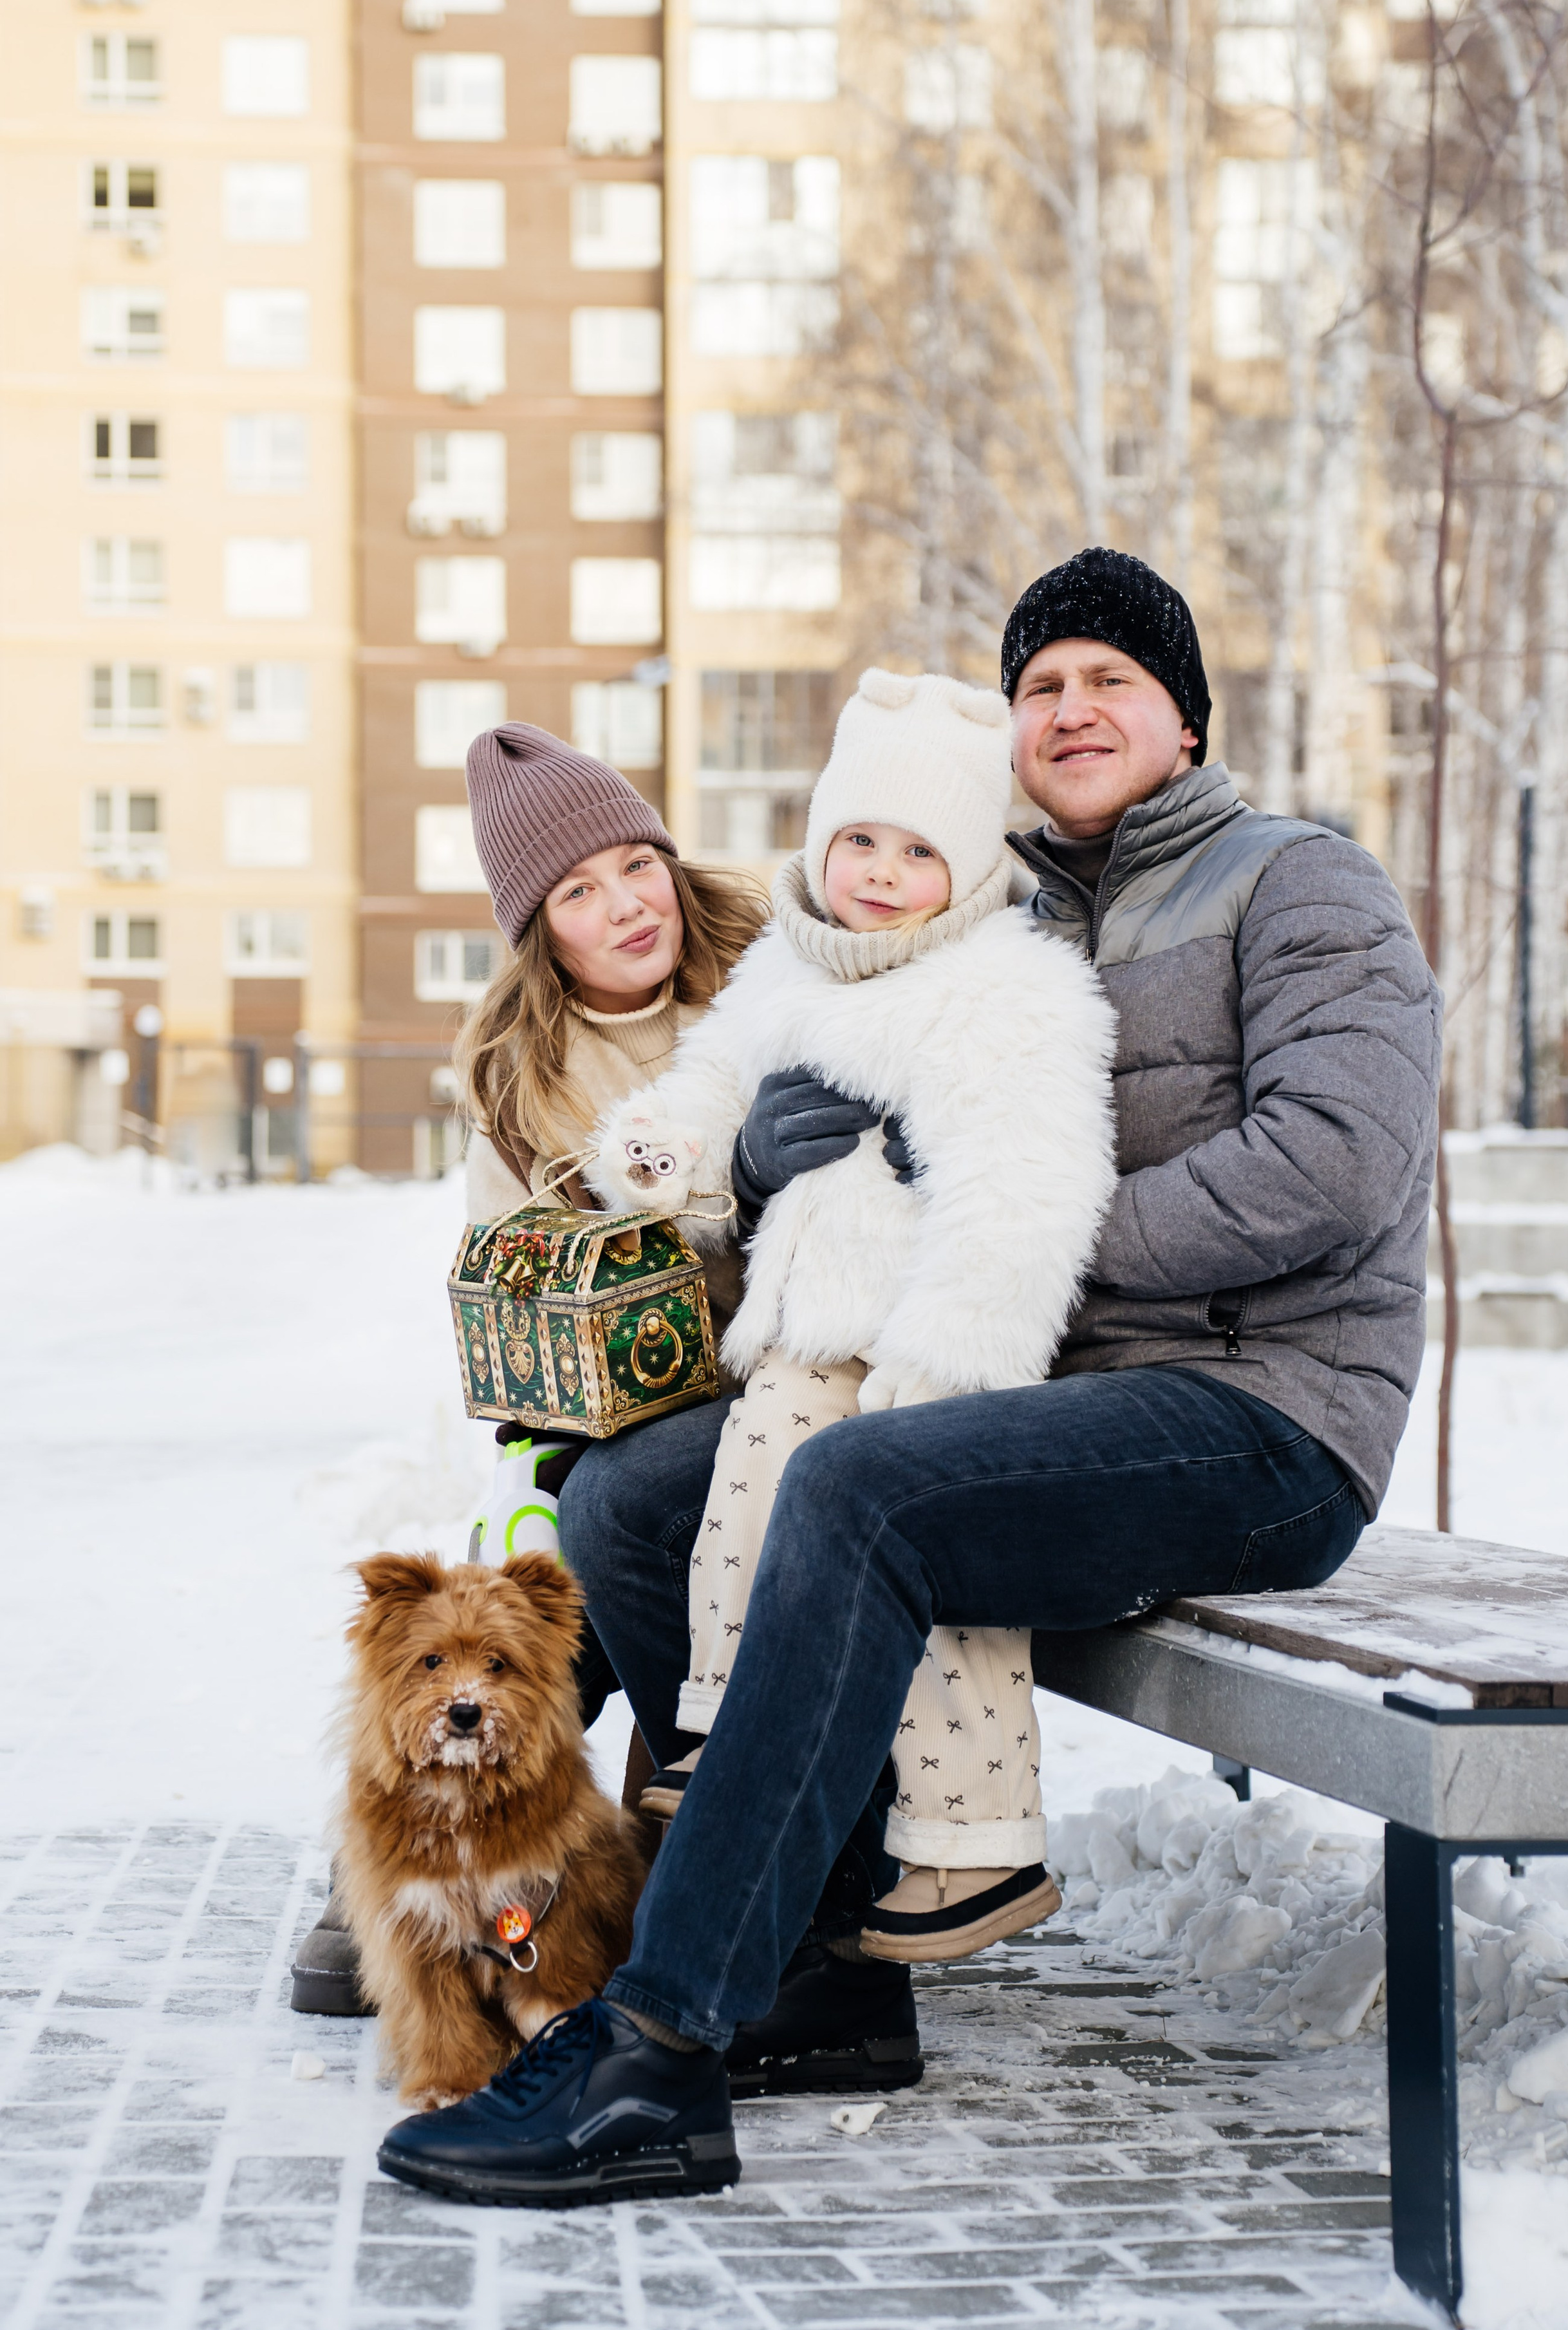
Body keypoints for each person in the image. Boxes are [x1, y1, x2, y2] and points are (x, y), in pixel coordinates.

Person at [374, 548, 1442, 2212]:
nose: (1069, 708)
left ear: (1184, 716)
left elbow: (1334, 1165)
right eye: (1040, 685)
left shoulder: (1295, 883)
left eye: (1110, 679)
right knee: (630, 1501)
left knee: (855, 1485)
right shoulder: (989, 901)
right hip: (1033, 1393)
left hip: (1257, 1412)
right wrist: (770, 1166)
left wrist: (990, 1231)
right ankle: (822, 1966)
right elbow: (841, 1155)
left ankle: (656, 2044)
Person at [590, 667, 1117, 1961]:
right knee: (750, 1484)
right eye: (860, 840)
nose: (881, 873)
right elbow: (710, 1081)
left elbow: (1026, 1198)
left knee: (916, 1542)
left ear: (969, 865)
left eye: (919, 851)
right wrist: (672, 1154)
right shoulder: (785, 968)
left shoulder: (1004, 989)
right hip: (810, 1319)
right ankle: (725, 1723)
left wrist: (951, 1365)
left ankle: (977, 1841)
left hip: (928, 1336)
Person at [289, 722, 765, 2016]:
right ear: (538, 931)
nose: (628, 906)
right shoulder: (519, 1076)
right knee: (522, 1586)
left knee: (615, 1518)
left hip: (782, 1369)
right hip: (626, 1402)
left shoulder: (767, 981)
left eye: (637, 865)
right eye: (579, 891)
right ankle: (423, 1854)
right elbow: (518, 1287)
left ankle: (684, 1846)